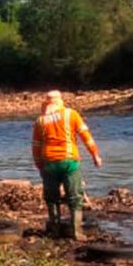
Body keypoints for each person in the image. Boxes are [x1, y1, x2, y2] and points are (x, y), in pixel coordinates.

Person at [31, 90, 102, 240]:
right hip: (69, 162)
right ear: (60, 101)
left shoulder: (40, 121)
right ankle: (77, 232)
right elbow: (85, 136)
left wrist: (38, 164)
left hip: (49, 163)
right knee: (75, 197)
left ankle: (55, 230)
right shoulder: (71, 114)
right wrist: (95, 155)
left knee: (52, 198)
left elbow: (36, 146)